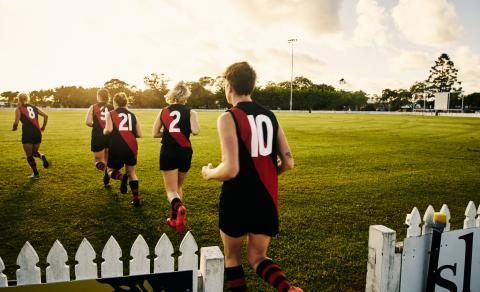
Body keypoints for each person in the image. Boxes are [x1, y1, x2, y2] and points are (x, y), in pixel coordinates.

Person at [202, 62, 302, 292]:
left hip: (237, 196)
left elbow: (231, 169)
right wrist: (266, 172)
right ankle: (288, 289)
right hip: (265, 197)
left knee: (232, 258)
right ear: (252, 86)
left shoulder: (228, 117)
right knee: (258, 258)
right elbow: (288, 162)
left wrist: (209, 173)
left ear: (228, 85)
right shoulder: (270, 116)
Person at [152, 82, 200, 233]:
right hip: (185, 151)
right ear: (185, 96)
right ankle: (176, 219)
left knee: (171, 191)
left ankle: (178, 209)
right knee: (178, 187)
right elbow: (196, 131)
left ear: (172, 94)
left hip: (168, 151)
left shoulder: (164, 111)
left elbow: (155, 133)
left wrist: (168, 134)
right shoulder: (191, 112)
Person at [103, 92, 142, 206]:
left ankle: (121, 176)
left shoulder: (110, 114)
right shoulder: (133, 115)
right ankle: (136, 199)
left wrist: (104, 131)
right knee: (132, 172)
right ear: (126, 102)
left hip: (116, 145)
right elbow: (139, 134)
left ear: (114, 102)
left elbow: (108, 129)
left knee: (110, 170)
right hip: (131, 146)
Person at [12, 93, 49, 179]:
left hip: (28, 133)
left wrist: (14, 128)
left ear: (19, 99)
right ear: (27, 98)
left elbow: (16, 122)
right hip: (37, 132)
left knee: (29, 155)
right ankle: (41, 156)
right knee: (34, 153)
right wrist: (43, 127)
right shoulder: (34, 107)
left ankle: (36, 174)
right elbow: (46, 116)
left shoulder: (18, 109)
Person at [85, 88, 114, 187]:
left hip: (98, 135)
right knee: (107, 159)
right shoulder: (113, 107)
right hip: (110, 135)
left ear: (98, 96)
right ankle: (107, 178)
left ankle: (105, 171)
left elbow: (88, 122)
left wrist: (96, 125)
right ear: (108, 97)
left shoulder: (93, 107)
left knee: (98, 161)